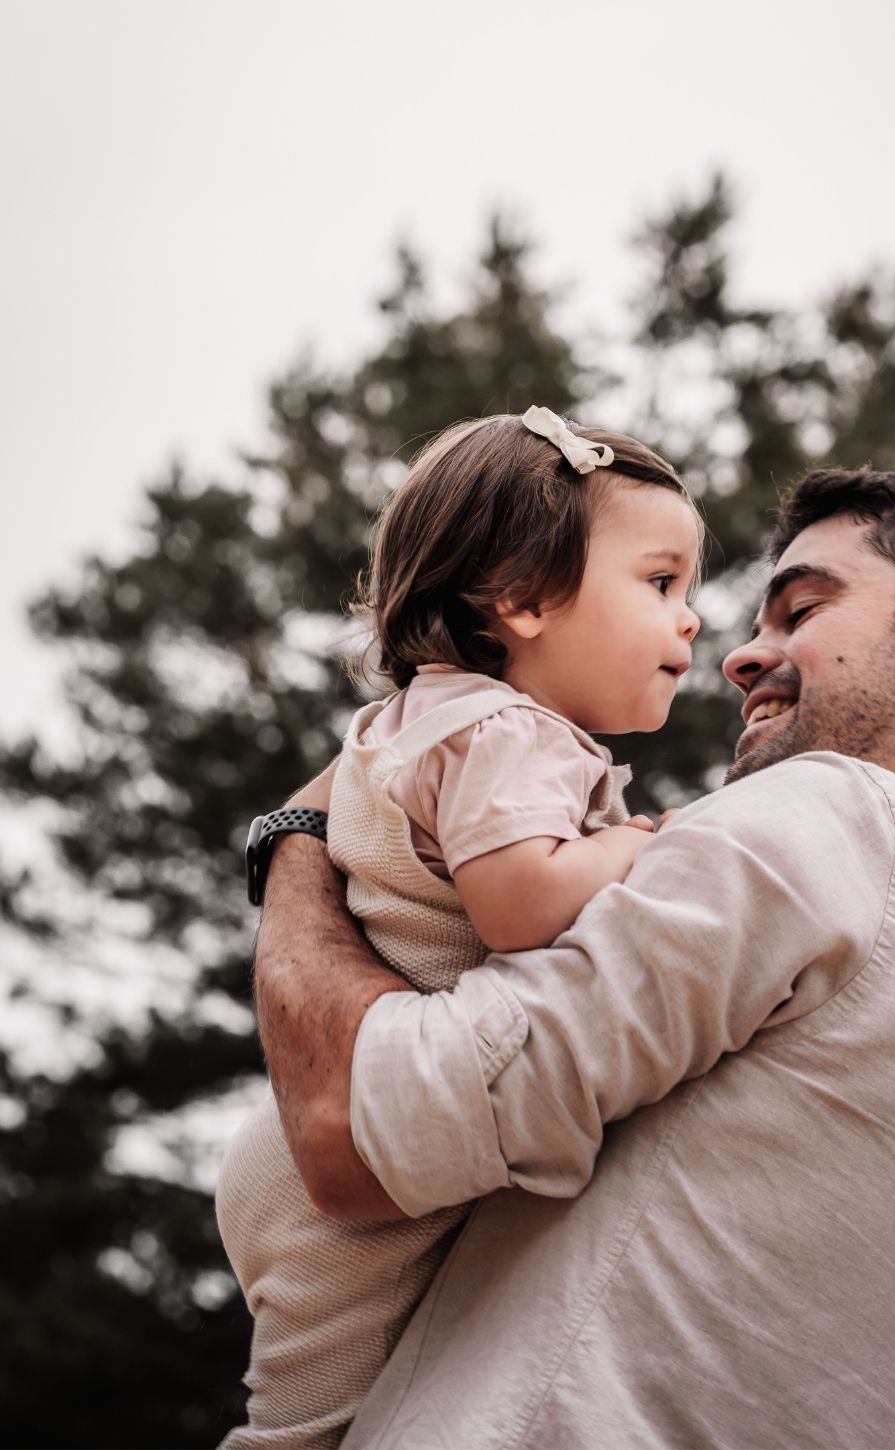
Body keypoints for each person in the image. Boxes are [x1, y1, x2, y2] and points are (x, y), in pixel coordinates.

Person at [254, 468, 895, 1449]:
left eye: (804, 607)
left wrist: (303, 832)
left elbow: (359, 1131)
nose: (739, 654)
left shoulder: (841, 815)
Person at [215, 407, 703, 1448]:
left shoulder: (419, 717)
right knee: (303, 1430)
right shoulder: (513, 734)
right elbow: (520, 905)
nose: (693, 617)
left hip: (318, 1137)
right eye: (661, 583)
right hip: (353, 1180)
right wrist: (635, 848)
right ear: (523, 596)